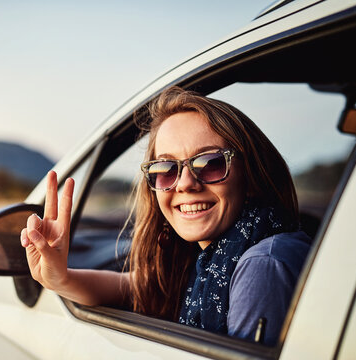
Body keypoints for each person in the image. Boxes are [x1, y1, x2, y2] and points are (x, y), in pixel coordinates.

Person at [20, 86, 311, 345]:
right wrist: (59, 277)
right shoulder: (215, 257)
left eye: (210, 163)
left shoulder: (261, 265)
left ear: (250, 176)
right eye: (165, 169)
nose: (184, 183)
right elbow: (137, 286)